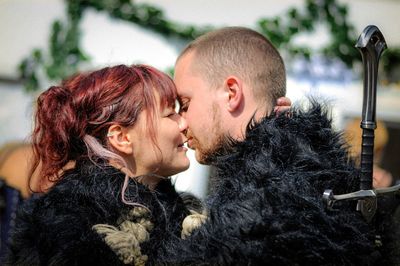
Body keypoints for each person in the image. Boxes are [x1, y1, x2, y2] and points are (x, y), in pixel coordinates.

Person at [126, 26, 378, 264]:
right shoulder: (299, 176)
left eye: (186, 103)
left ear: (232, 93)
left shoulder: (269, 207)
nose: (182, 121)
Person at [4, 64, 195, 265]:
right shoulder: (67, 225)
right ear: (122, 138)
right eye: (169, 114)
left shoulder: (184, 216)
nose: (183, 123)